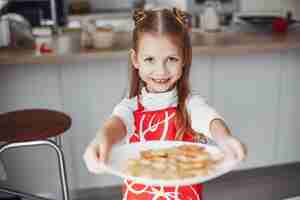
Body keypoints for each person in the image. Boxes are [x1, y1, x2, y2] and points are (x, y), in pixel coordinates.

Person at [83, 7, 247, 200]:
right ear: (136, 60)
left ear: (184, 58)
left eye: (171, 59)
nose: (160, 71)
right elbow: (115, 124)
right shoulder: (131, 106)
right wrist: (100, 141)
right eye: (150, 59)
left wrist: (225, 139)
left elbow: (209, 119)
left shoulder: (190, 105)